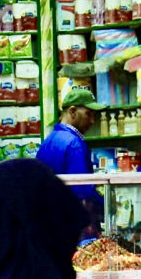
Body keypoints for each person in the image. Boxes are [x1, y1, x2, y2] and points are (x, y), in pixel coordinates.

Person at [37, 87, 106, 228]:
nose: (93, 121)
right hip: (73, 225)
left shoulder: (48, 141)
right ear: (72, 111)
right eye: (88, 114)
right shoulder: (75, 144)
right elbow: (83, 192)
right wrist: (109, 208)